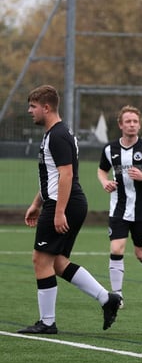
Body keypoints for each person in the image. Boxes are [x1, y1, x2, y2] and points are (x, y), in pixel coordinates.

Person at [19, 85, 122, 334]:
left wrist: (57, 211)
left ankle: (47, 322)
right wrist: (37, 202)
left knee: (40, 259)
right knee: (57, 262)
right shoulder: (54, 133)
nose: (29, 111)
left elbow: (66, 174)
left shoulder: (58, 135)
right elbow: (53, 176)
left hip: (63, 203)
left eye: (33, 106)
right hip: (62, 201)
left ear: (47, 107)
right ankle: (107, 299)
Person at [97, 105, 142, 308]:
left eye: (135, 121)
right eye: (128, 121)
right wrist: (105, 183)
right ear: (120, 124)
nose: (132, 124)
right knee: (116, 248)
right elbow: (102, 171)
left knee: (141, 253)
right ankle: (117, 296)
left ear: (139, 125)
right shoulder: (110, 149)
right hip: (118, 207)